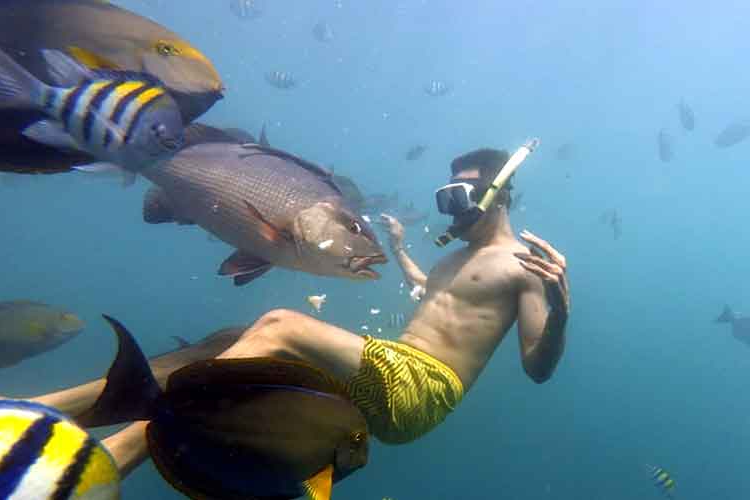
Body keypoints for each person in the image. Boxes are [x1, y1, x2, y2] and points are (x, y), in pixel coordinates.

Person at [36, 145, 571, 475]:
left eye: (459, 196)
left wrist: (560, 312)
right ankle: (46, 408)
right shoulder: (456, 259)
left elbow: (537, 368)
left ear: (499, 195)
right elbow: (431, 295)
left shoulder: (524, 265)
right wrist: (402, 248)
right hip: (389, 374)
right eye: (444, 196)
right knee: (230, 339)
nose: (449, 209)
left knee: (278, 326)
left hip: (423, 390)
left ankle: (114, 456)